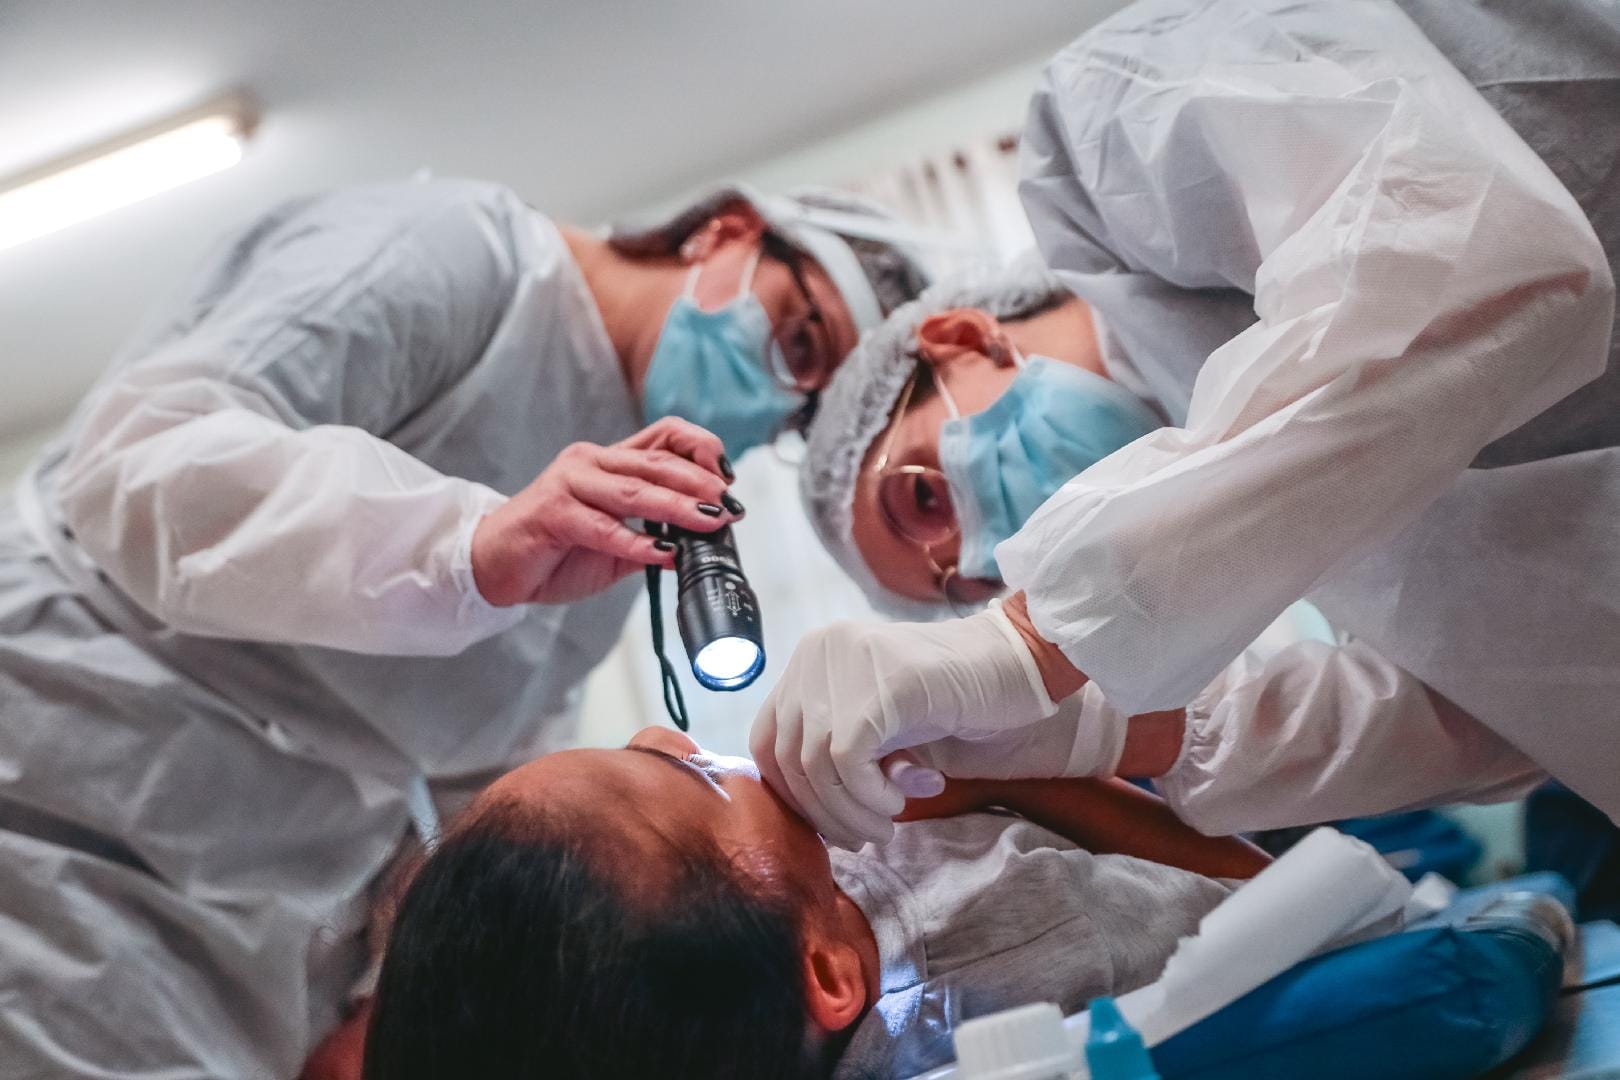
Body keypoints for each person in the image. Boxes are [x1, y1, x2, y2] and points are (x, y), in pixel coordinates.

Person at [0, 176, 929, 1076]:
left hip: (266, 931)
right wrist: (466, 548)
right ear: (727, 229)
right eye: (800, 338)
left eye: (804, 410)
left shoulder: (627, 508)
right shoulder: (461, 255)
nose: (777, 398)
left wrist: (396, 987)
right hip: (69, 783)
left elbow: (480, 766)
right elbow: (134, 465)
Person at [751, 0, 1620, 849]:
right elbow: (1519, 701)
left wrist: (1036, 638)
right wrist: (1096, 732)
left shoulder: (1104, 131)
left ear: (959, 340)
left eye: (922, 498)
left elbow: (1476, 258)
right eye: (973, 589)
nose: (994, 555)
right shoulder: (1274, 508)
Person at [360, 725, 1266, 1080]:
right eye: (695, 778)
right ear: (827, 975)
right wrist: (1016, 767)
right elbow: (1264, 900)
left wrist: (962, 773)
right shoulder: (1020, 967)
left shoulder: (806, 915)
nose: (670, 734)